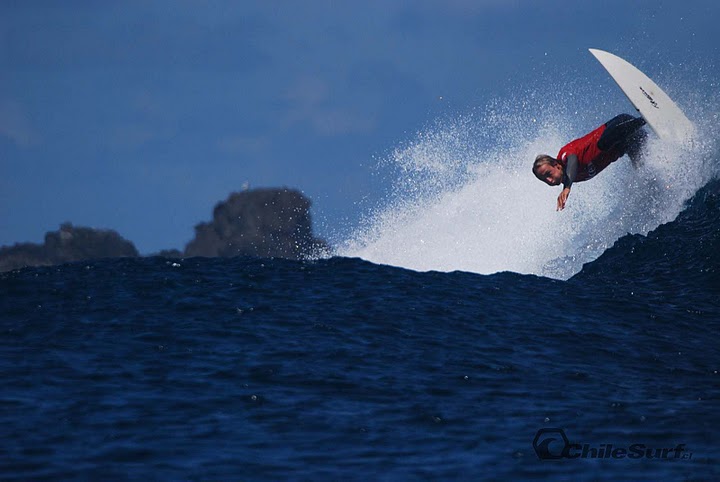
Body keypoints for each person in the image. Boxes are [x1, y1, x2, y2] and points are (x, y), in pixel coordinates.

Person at [533, 114, 648, 210]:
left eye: (548, 174)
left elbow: (572, 161)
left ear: (556, 165)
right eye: (544, 180)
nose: (549, 180)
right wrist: (567, 185)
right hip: (631, 143)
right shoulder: (569, 178)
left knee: (603, 144)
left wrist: (567, 187)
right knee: (642, 172)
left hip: (623, 125)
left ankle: (646, 118)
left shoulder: (564, 155)